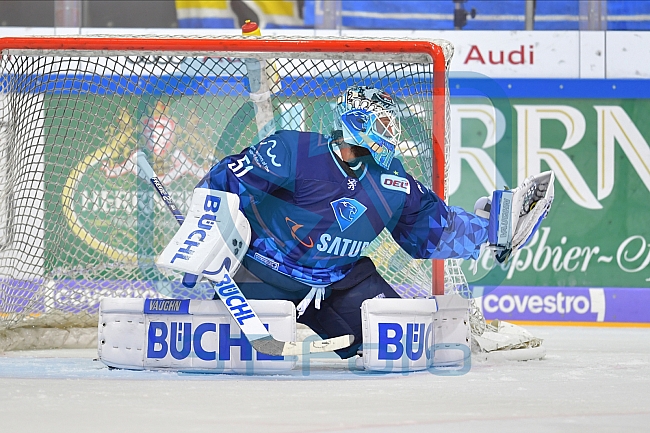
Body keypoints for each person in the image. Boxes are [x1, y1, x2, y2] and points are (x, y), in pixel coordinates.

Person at [194, 86, 546, 359]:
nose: (391, 132)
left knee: (401, 348)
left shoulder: (392, 180)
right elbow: (222, 184)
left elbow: (430, 228)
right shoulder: (294, 150)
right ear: (357, 123)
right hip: (263, 274)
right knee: (234, 357)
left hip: (337, 283)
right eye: (383, 123)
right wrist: (203, 228)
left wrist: (493, 231)